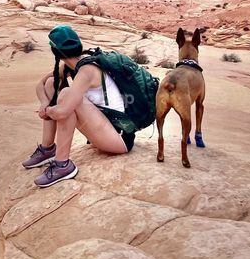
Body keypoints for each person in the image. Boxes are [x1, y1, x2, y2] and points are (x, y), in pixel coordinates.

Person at [22, 25, 155, 188]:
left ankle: (63, 165)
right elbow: (41, 85)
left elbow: (63, 112)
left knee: (66, 96)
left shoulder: (87, 70)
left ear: (55, 52)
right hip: (103, 130)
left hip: (119, 139)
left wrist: (48, 111)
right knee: (52, 83)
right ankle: (47, 149)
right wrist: (44, 103)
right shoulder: (73, 66)